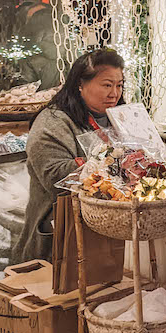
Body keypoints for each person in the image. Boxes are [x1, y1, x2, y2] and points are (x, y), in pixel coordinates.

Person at [18, 48, 125, 264]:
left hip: (113, 225)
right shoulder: (53, 121)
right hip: (62, 232)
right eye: (106, 85)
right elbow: (55, 177)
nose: (114, 93)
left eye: (119, 85)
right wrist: (112, 161)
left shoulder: (121, 117)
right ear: (80, 84)